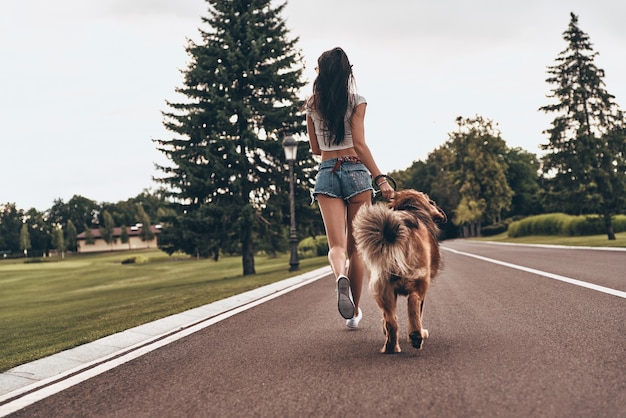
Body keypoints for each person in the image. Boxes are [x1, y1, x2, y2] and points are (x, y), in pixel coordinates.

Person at [305, 47, 395, 329]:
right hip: (356, 171)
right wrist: (380, 178)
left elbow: (315, 148)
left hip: (327, 172)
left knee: (337, 246)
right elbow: (358, 143)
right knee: (358, 250)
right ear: (347, 73)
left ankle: (338, 276)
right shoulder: (358, 101)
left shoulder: (311, 104)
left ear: (322, 72)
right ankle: (354, 313)